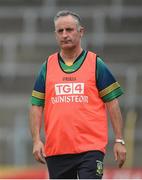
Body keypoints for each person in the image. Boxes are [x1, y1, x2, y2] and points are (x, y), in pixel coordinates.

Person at [29, 10, 127, 179]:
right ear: (55, 34)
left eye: (69, 30)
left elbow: (112, 103)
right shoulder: (48, 66)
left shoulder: (96, 64)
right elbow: (36, 105)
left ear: (81, 32)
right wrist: (36, 140)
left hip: (90, 149)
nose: (65, 35)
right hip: (57, 150)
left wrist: (119, 140)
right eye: (60, 31)